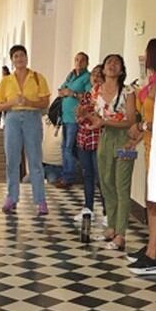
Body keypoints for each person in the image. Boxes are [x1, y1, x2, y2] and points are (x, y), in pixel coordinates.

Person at [124, 38, 156, 275]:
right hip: (148, 146)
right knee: (150, 199)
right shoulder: (152, 81)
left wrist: (143, 127)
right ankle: (152, 246)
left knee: (154, 201)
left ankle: (153, 255)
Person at [0, 45, 51, 216]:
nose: (19, 59)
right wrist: (12, 102)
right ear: (12, 60)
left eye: (22, 56)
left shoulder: (37, 78)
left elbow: (45, 103)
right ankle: (12, 197)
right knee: (12, 159)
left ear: (27, 58)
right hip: (12, 118)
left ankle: (40, 200)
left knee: (34, 159)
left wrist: (29, 102)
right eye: (16, 56)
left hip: (32, 118)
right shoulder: (6, 81)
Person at [89, 54, 135, 250]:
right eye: (109, 62)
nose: (112, 66)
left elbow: (131, 121)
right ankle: (111, 227)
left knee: (122, 185)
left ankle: (121, 234)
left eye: (117, 63)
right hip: (105, 138)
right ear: (103, 68)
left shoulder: (128, 91)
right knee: (106, 182)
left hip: (125, 139)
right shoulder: (96, 91)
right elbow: (96, 117)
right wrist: (85, 115)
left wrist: (105, 121)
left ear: (122, 70)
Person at [55, 52, 91, 190]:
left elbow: (89, 96)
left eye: (82, 60)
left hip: (75, 118)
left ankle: (68, 177)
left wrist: (73, 94)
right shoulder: (71, 75)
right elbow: (61, 89)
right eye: (76, 59)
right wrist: (64, 91)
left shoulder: (87, 78)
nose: (78, 62)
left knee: (69, 148)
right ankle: (65, 174)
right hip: (65, 117)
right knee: (64, 147)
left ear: (87, 63)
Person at [75, 64, 104, 221]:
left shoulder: (105, 96)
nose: (96, 78)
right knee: (87, 174)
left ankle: (107, 212)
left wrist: (87, 114)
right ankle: (88, 208)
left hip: (98, 139)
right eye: (94, 75)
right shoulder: (87, 95)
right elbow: (80, 114)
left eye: (100, 75)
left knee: (101, 177)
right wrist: (81, 115)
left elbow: (100, 117)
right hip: (84, 138)